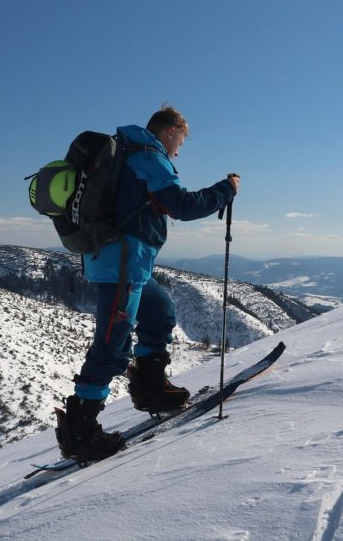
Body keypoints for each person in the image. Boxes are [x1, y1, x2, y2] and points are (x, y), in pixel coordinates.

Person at [58, 106, 240, 463]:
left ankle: (150, 389)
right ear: (171, 132)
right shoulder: (147, 156)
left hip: (125, 263)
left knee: (161, 313)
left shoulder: (127, 153)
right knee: (112, 346)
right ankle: (79, 431)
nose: (179, 151)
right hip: (121, 266)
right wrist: (225, 190)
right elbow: (182, 205)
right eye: (181, 142)